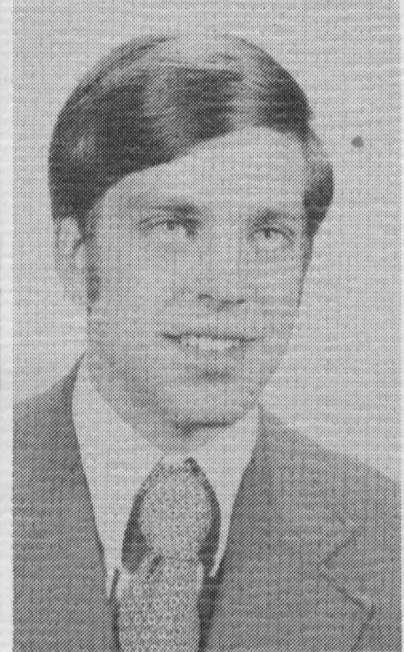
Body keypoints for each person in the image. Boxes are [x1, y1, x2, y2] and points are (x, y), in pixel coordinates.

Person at [14, 34, 400, 651]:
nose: (226, 287)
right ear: (77, 258)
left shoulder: (388, 539)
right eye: (173, 226)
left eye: (268, 234)